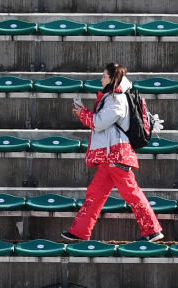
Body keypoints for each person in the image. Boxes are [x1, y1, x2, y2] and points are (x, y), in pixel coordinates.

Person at [61, 63, 164, 243]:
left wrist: (82, 113)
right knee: (95, 194)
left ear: (111, 78)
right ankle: (79, 232)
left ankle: (152, 230)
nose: (101, 80)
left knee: (131, 193)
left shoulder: (117, 99)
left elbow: (99, 122)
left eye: (104, 76)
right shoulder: (113, 98)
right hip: (111, 156)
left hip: (116, 155)